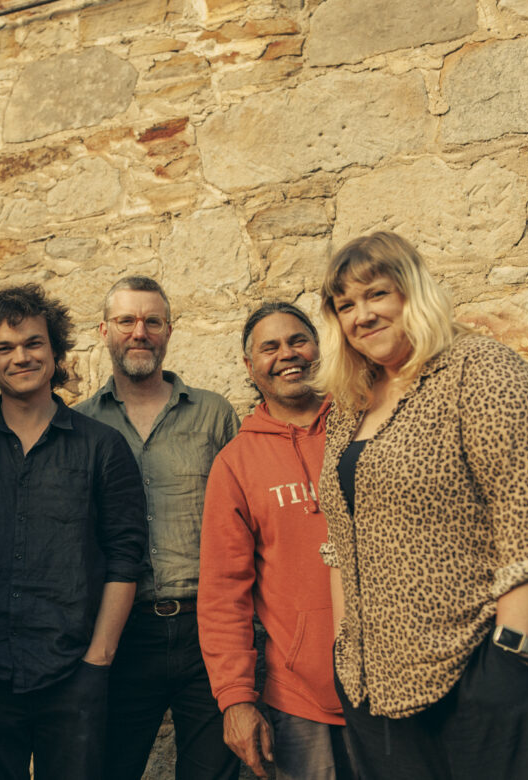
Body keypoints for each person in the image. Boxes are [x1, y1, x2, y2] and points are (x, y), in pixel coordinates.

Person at [315, 231, 528, 779]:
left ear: (412, 292)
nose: (362, 315)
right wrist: (344, 653)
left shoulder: (483, 371)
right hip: (383, 684)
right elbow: (341, 540)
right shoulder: (352, 404)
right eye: (345, 305)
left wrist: (508, 660)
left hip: (494, 662)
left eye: (377, 294)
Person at [0, 284, 148, 780]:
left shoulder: (103, 446)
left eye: (33, 343)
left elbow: (125, 557)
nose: (21, 357)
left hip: (75, 673)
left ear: (55, 351)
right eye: (4, 348)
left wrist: (98, 662)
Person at [74, 276, 240, 780]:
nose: (139, 332)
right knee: (108, 769)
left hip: (207, 630)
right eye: (126, 320)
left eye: (152, 321)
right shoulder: (80, 425)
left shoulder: (214, 414)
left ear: (169, 330)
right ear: (104, 330)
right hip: (120, 632)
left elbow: (244, 519)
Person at [200, 302, 355, 780]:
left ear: (319, 348)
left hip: (394, 679)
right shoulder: (236, 464)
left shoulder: (364, 426)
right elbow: (224, 593)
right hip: (299, 698)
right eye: (270, 347)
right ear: (250, 367)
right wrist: (235, 698)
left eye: (297, 340)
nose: (287, 354)